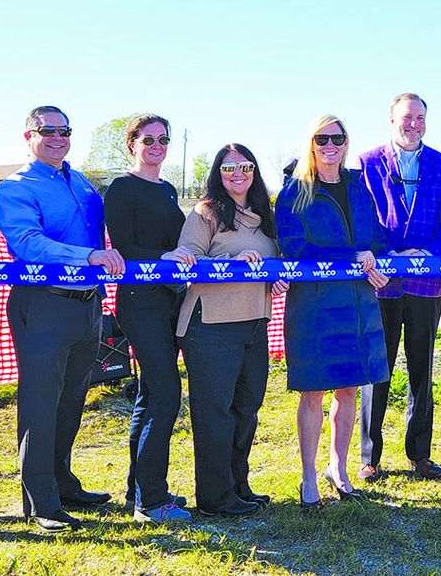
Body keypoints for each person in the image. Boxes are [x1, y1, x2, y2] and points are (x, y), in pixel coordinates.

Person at [0, 106, 125, 533]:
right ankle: (40, 501)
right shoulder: (15, 188)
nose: (57, 137)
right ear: (28, 135)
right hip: (44, 304)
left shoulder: (81, 181)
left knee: (72, 400)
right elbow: (29, 244)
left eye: (64, 130)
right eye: (47, 130)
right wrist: (87, 257)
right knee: (40, 403)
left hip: (87, 305)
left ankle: (62, 482)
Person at [275, 115, 390, 509]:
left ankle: (338, 469)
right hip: (314, 306)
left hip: (358, 302)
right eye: (322, 138)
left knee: (349, 390)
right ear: (311, 143)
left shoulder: (359, 186)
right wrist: (352, 256)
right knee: (312, 394)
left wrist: (381, 261)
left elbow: (375, 236)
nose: (329, 145)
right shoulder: (294, 192)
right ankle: (308, 476)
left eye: (337, 138)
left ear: (345, 142)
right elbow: (293, 246)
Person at [357, 93, 441, 482]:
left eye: (420, 118)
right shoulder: (367, 163)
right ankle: (370, 456)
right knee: (377, 368)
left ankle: (419, 453)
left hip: (426, 281)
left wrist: (430, 252)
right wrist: (389, 254)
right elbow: (363, 215)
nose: (413, 124)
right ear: (391, 120)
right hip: (381, 281)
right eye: (407, 117)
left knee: (422, 368)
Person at [177, 144, 285, 517]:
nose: (237, 173)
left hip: (255, 323)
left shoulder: (264, 215)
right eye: (228, 168)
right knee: (214, 414)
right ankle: (214, 496)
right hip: (210, 325)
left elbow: (271, 263)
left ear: (254, 171)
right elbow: (186, 258)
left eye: (245, 166)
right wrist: (230, 262)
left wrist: (276, 278)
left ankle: (238, 485)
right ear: (217, 174)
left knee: (247, 409)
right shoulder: (205, 212)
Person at [103, 114, 193, 524]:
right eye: (148, 139)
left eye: (163, 139)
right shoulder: (121, 188)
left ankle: (137, 490)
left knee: (150, 394)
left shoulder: (170, 190)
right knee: (166, 393)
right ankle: (152, 502)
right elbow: (123, 245)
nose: (157, 146)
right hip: (140, 302)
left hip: (169, 301)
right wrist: (163, 257)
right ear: (132, 144)